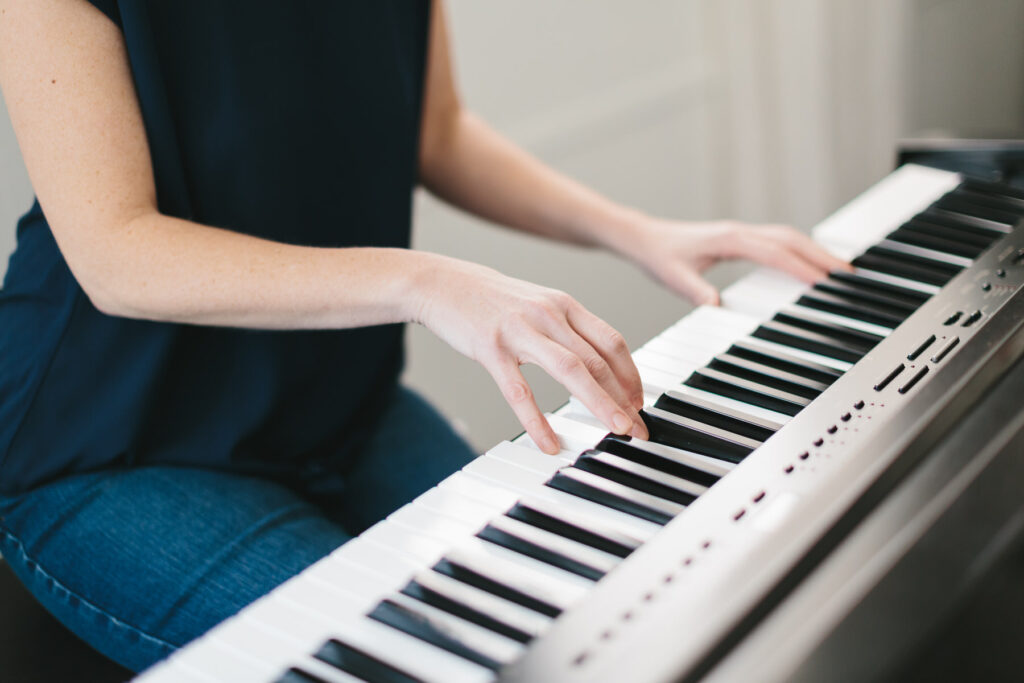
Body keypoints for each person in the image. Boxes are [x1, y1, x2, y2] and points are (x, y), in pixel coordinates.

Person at [0, 0, 847, 673]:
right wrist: (427, 280)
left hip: (335, 401)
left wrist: (639, 232)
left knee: (596, 601)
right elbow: (117, 255)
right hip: (116, 440)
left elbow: (437, 133)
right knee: (419, 662)